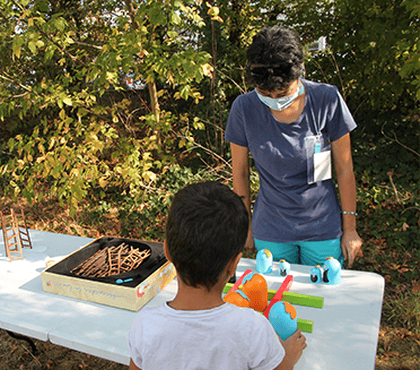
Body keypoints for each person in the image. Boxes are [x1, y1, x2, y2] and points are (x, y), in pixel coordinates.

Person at [126, 181, 307, 370]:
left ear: (167, 252)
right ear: (233, 265)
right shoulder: (253, 328)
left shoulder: (144, 325)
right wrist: (287, 356)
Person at [225, 25, 363, 268]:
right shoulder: (244, 108)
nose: (276, 100)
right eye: (266, 93)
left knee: (322, 298)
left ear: (300, 72)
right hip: (271, 229)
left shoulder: (326, 99)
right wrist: (243, 227)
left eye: (283, 92)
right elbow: (240, 172)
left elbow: (344, 168)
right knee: (275, 300)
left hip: (323, 228)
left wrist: (349, 228)